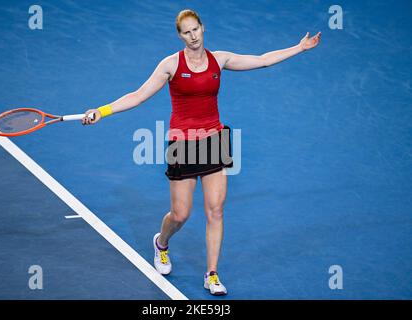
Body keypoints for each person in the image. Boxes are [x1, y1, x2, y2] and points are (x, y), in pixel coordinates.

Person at [82, 9, 321, 296]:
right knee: (181, 214)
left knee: (215, 210)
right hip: (182, 144)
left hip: (214, 141)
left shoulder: (219, 60)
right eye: (186, 32)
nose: (193, 36)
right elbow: (138, 95)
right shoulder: (170, 65)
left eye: (196, 29)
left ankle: (211, 274)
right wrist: (101, 111)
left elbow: (262, 60)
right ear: (180, 35)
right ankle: (161, 243)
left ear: (203, 28)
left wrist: (299, 47)